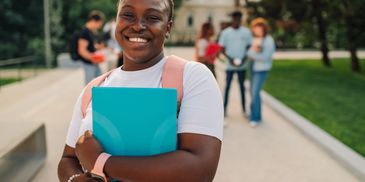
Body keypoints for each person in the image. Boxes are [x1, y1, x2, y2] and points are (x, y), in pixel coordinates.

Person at [57, 0, 223, 181]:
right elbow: (68, 159)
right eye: (127, 15)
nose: (138, 26)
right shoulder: (94, 88)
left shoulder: (192, 77)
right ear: (117, 21)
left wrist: (101, 162)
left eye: (152, 18)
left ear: (167, 28)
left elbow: (200, 170)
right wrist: (74, 179)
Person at [218, 11, 252, 117]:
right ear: (232, 19)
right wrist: (231, 59)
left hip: (242, 66)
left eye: (238, 19)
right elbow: (222, 49)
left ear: (240, 19)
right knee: (227, 87)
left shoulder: (246, 32)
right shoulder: (226, 32)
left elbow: (249, 48)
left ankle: (243, 109)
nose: (236, 21)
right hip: (229, 65)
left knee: (242, 87)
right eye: (235, 19)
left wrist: (243, 60)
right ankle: (224, 110)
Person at [247, 18, 275, 127]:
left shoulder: (268, 40)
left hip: (262, 69)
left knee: (255, 92)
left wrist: (254, 54)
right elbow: (248, 52)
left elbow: (266, 57)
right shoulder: (255, 39)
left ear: (263, 28)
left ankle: (254, 118)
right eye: (254, 29)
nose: (255, 31)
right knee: (253, 92)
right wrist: (254, 52)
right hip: (253, 67)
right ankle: (256, 115)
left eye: (257, 28)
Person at [78, 10, 105, 85]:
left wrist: (97, 48)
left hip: (94, 63)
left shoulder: (92, 32)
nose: (100, 26)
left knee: (101, 81)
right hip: (88, 63)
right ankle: (87, 97)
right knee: (88, 85)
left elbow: (90, 47)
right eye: (99, 24)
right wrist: (93, 58)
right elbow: (82, 50)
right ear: (94, 21)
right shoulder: (85, 32)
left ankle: (98, 96)